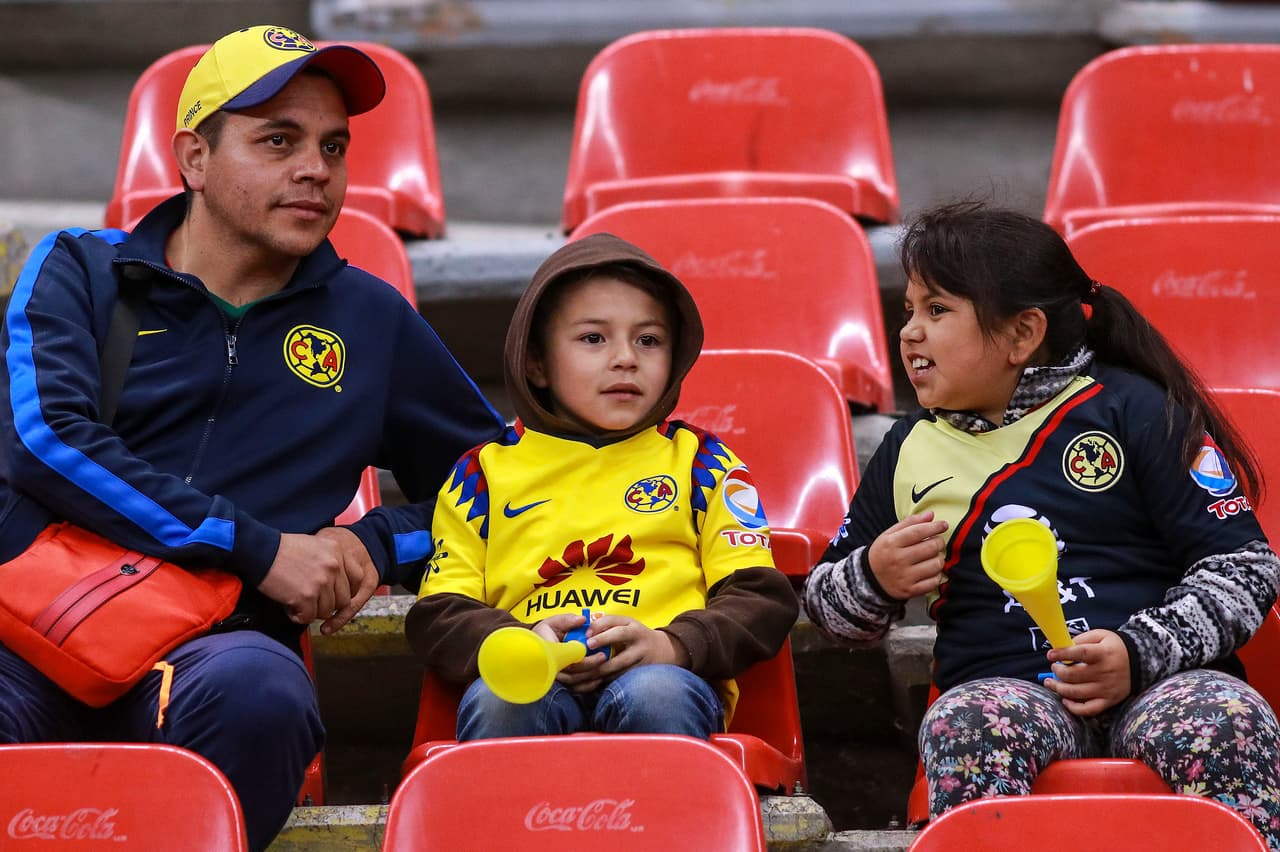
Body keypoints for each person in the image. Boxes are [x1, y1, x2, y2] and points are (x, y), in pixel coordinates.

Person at [0, 26, 503, 851]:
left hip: (216, 651)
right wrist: (261, 547)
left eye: (333, 146)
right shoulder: (81, 270)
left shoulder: (372, 323)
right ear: (194, 158)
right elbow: (47, 440)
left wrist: (378, 542)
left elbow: (502, 487)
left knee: (263, 696)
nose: (317, 168)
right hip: (29, 630)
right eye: (279, 140)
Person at [804, 201, 1280, 844]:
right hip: (1004, 690)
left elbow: (1246, 568)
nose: (910, 332)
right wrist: (873, 576)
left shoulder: (1134, 409)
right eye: (909, 310)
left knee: (1227, 719)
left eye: (937, 310)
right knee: (964, 724)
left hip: (1163, 683)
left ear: (1023, 333)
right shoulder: (906, 447)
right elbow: (826, 607)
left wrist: (1137, 653)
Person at [405, 233, 798, 741]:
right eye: (594, 338)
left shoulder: (702, 463)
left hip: (665, 675)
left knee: (655, 693)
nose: (625, 359)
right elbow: (439, 613)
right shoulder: (482, 473)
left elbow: (760, 598)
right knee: (502, 700)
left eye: (649, 340)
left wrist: (672, 646)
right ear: (536, 364)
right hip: (531, 676)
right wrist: (519, 641)